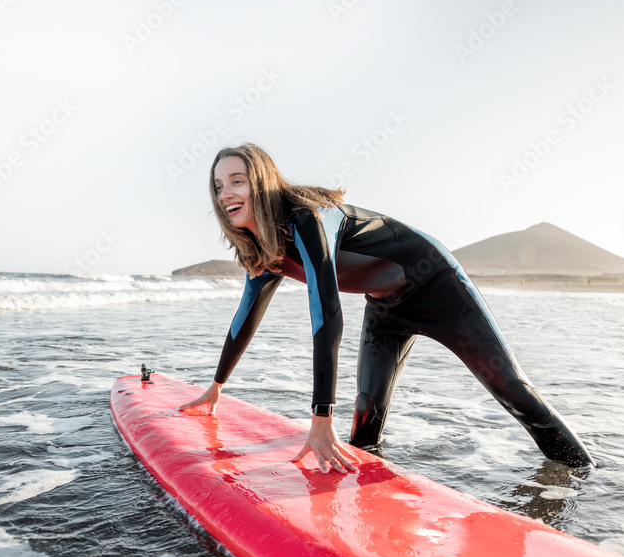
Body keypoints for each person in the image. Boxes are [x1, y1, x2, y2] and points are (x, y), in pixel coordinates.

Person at [179, 143, 595, 473]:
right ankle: (370, 510)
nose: (226, 193)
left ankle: (583, 476)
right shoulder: (264, 251)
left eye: (237, 180)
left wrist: (321, 417)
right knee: (365, 421)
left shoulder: (303, 219)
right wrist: (216, 387)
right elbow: (244, 319)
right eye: (218, 186)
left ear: (263, 182)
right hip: (386, 306)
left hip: (437, 283)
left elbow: (326, 313)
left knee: (514, 393)